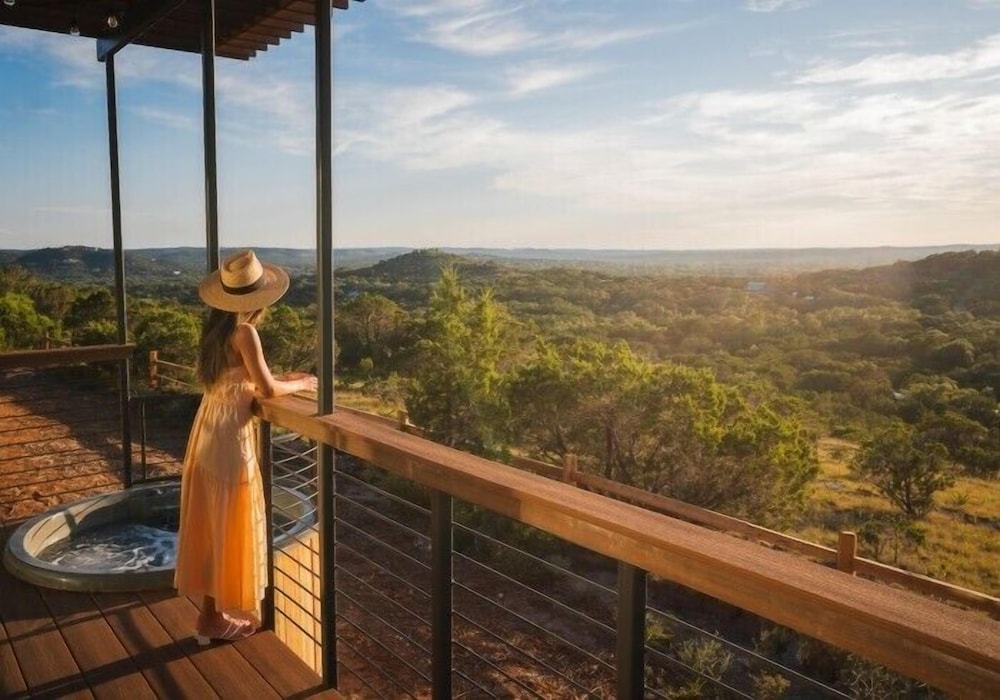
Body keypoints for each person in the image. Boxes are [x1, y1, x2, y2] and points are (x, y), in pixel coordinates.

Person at [174, 249, 317, 644]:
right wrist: (300, 385)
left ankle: (210, 617)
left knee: (211, 522)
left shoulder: (216, 331)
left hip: (206, 431)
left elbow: (240, 381)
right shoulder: (245, 332)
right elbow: (267, 390)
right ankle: (211, 620)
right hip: (228, 441)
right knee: (227, 521)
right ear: (258, 300)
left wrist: (274, 378)